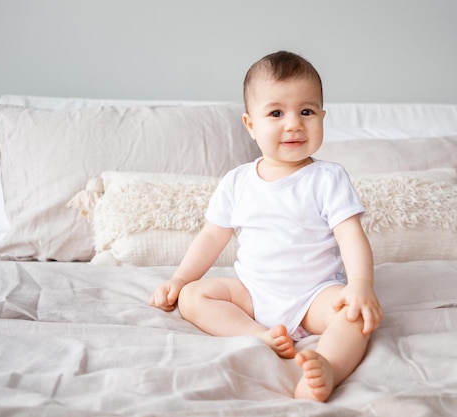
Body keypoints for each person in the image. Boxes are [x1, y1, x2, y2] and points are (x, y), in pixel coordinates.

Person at [149, 50, 383, 402]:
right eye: (276, 113)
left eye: (306, 112)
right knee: (193, 297)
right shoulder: (237, 181)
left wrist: (361, 286)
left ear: (322, 116)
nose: (293, 124)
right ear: (250, 124)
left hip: (314, 295)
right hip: (253, 295)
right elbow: (213, 235)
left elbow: (351, 235)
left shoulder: (327, 178)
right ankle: (259, 335)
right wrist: (180, 279)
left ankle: (329, 368)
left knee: (355, 316)